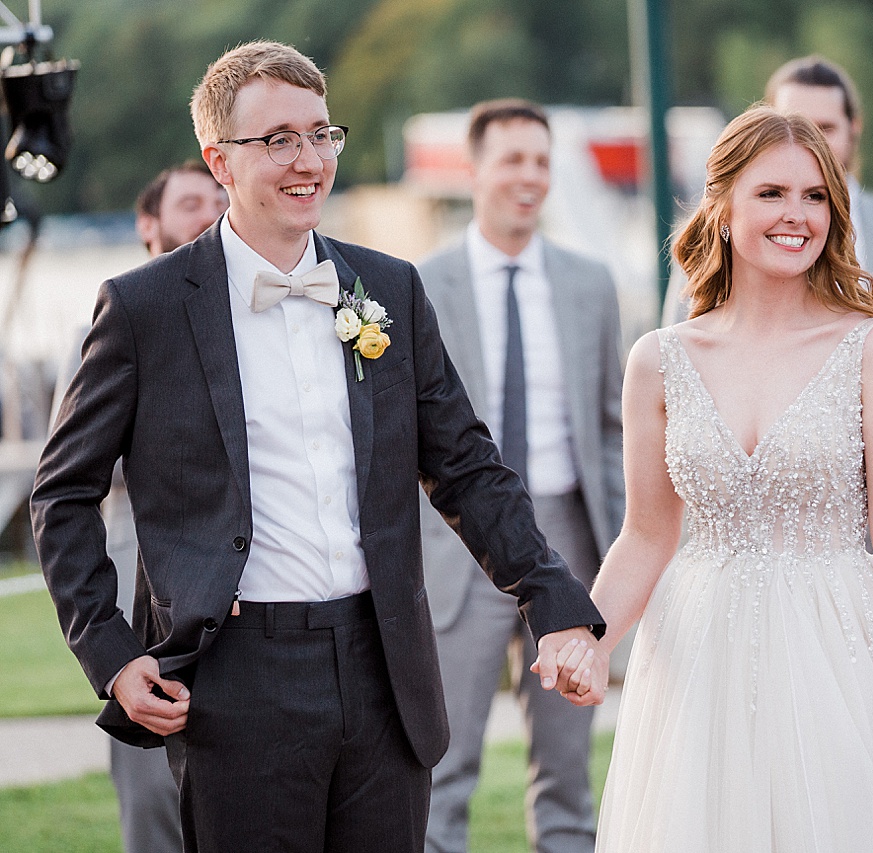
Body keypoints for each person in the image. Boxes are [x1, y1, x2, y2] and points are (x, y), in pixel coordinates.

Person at [31, 41, 605, 853]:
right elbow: (62, 494)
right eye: (278, 141)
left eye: (321, 134)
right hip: (232, 682)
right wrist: (113, 653)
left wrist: (552, 603)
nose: (309, 161)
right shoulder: (143, 307)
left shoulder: (390, 288)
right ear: (218, 161)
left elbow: (468, 467)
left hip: (385, 669)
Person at [583, 106, 873, 850]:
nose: (795, 215)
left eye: (815, 196)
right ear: (723, 207)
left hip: (837, 651)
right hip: (698, 660)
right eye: (771, 193)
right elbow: (645, 535)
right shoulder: (659, 358)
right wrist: (589, 638)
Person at [416, 99, 624, 853]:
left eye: (542, 160)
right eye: (513, 159)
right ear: (474, 170)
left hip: (567, 539)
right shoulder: (418, 283)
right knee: (443, 765)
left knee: (568, 772)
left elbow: (611, 427)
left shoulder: (590, 283)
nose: (530, 177)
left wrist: (625, 546)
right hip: (456, 545)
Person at [664, 56, 873, 549]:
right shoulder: (715, 249)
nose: (808, 140)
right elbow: (679, 388)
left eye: (825, 127)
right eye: (795, 123)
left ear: (853, 131)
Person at [49, 160, 227, 853]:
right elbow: (69, 477)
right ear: (148, 225)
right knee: (152, 780)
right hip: (138, 563)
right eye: (189, 203)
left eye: (217, 198)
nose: (208, 212)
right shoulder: (117, 313)